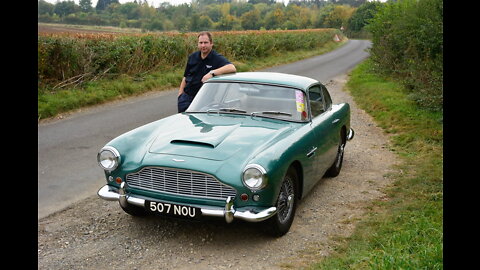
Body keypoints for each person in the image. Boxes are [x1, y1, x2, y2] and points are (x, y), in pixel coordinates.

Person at [177, 31, 236, 113]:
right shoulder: (192, 57)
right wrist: (180, 95)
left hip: (204, 101)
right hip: (186, 99)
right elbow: (185, 77)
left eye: (206, 43)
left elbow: (231, 67)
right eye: (200, 43)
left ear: (211, 43)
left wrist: (212, 73)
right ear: (198, 44)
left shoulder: (216, 58)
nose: (203, 45)